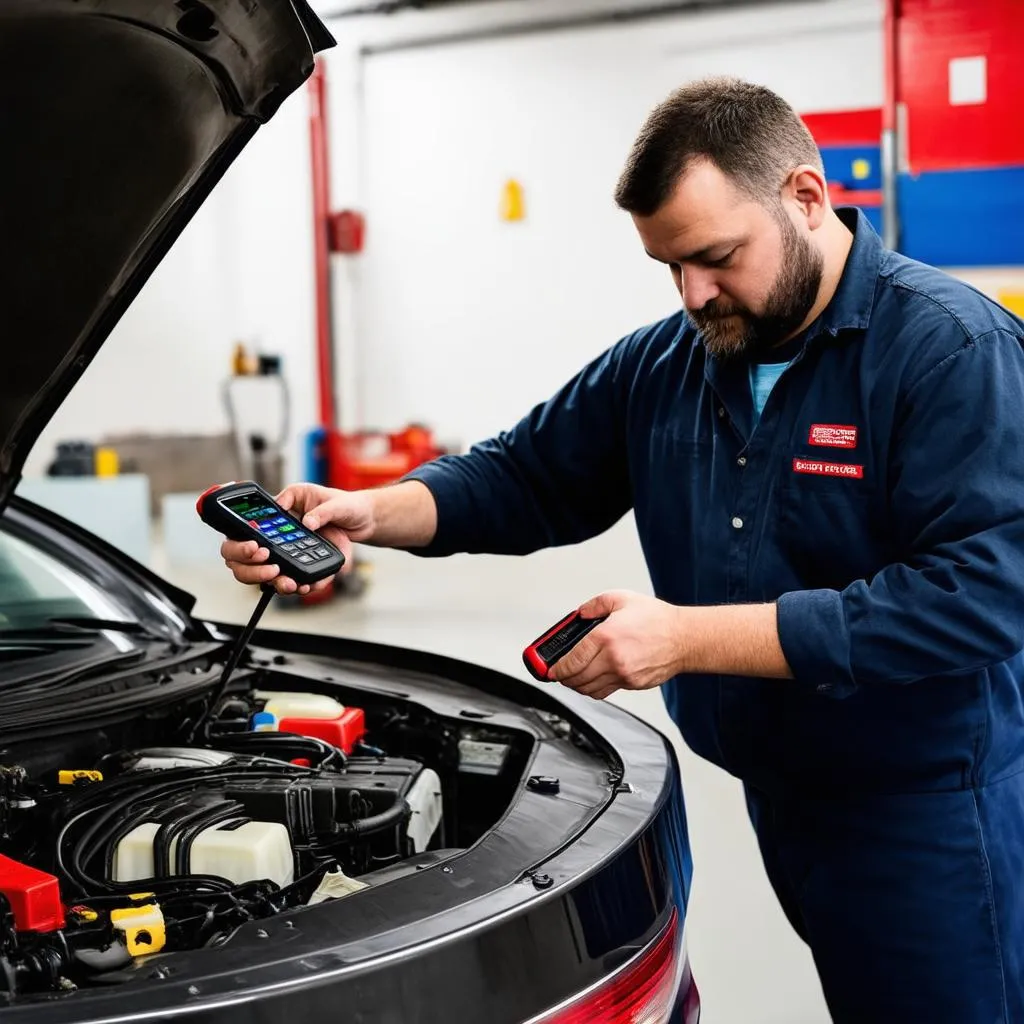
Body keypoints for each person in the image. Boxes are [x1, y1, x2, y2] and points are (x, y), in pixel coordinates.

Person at [220, 78, 1024, 1022]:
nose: (693, 294)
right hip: (787, 792)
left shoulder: (948, 351)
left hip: (924, 810)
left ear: (806, 198)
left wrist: (688, 640)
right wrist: (367, 512)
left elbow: (982, 593)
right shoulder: (671, 360)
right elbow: (523, 476)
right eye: (669, 266)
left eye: (716, 257)